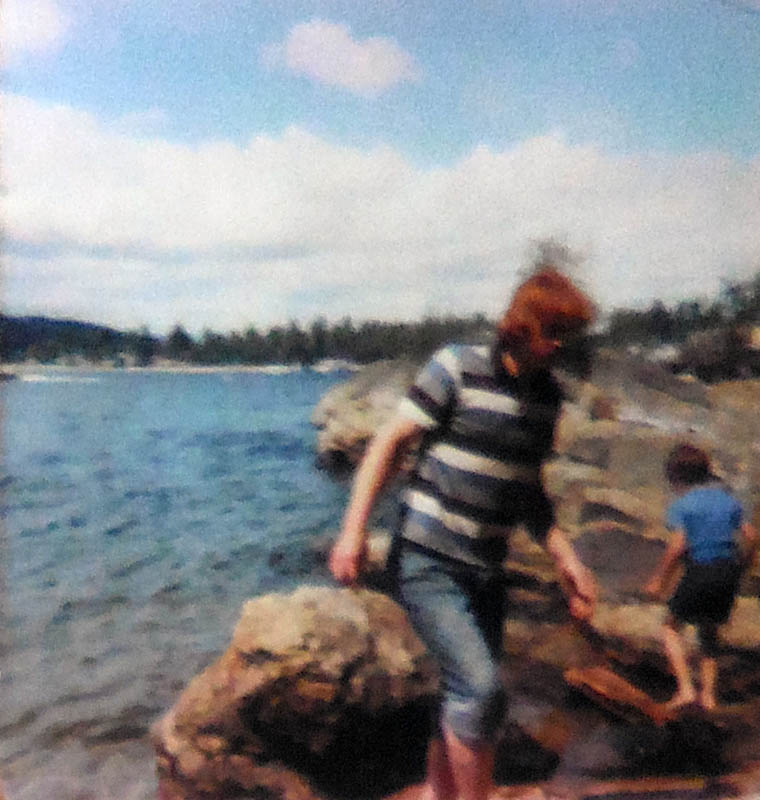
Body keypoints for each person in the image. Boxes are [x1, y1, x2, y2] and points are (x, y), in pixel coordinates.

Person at [329, 267, 598, 800]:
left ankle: (437, 792)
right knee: (481, 691)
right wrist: (353, 531)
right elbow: (389, 445)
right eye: (556, 333)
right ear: (522, 326)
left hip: (486, 570)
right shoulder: (455, 367)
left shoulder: (546, 401)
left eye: (572, 336)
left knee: (464, 694)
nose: (563, 347)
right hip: (427, 557)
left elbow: (527, 489)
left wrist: (566, 558)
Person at [644, 443, 759, 711]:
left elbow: (678, 546)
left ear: (675, 478)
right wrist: (745, 563)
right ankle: (708, 697)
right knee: (709, 633)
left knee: (670, 628)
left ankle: (685, 689)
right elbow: (752, 536)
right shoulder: (729, 502)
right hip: (727, 570)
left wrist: (659, 578)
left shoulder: (682, 505)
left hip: (701, 569)